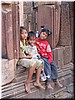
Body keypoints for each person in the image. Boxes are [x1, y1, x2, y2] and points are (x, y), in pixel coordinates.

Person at [17, 26, 45, 93]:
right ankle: (28, 82)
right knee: (34, 63)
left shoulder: (24, 41)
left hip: (25, 58)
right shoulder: (19, 42)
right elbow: (20, 56)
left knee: (40, 62)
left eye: (26, 33)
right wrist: (28, 57)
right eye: (22, 33)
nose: (24, 35)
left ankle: (37, 82)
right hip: (20, 60)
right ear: (19, 34)